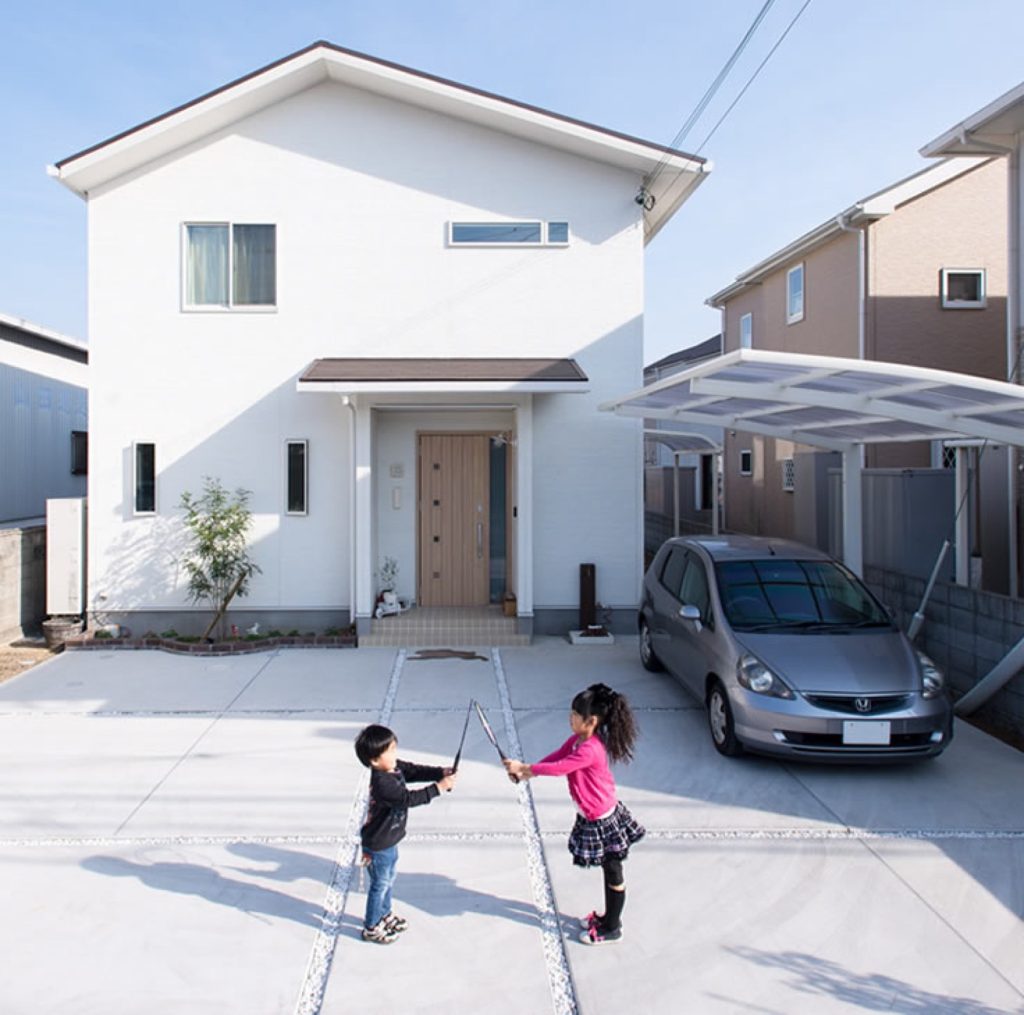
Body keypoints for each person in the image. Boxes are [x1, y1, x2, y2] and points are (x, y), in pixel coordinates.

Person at [503, 683, 644, 945]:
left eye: (575, 715)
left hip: (604, 819)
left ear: (590, 721)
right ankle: (605, 919)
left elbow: (561, 768)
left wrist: (524, 767)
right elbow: (557, 757)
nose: (570, 718)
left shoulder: (590, 749)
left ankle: (612, 926)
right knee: (608, 868)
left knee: (613, 871)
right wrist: (525, 772)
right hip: (593, 814)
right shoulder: (578, 740)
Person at [354, 723, 456, 944]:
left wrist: (440, 772)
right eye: (389, 751)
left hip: (389, 841)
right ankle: (371, 926)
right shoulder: (382, 784)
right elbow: (407, 800)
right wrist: (438, 787)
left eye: (394, 748)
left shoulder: (393, 768)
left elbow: (414, 770)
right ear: (374, 760)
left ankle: (385, 914)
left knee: (389, 879)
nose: (395, 754)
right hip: (378, 844)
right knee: (380, 884)